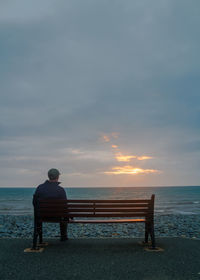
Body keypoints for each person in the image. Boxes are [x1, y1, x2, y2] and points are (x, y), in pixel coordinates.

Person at [32, 168, 68, 241]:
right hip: (58, 217)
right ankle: (63, 236)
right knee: (64, 215)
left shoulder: (40, 188)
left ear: (48, 176)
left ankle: (39, 237)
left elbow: (34, 203)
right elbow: (65, 205)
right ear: (58, 177)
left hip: (41, 216)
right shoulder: (60, 190)